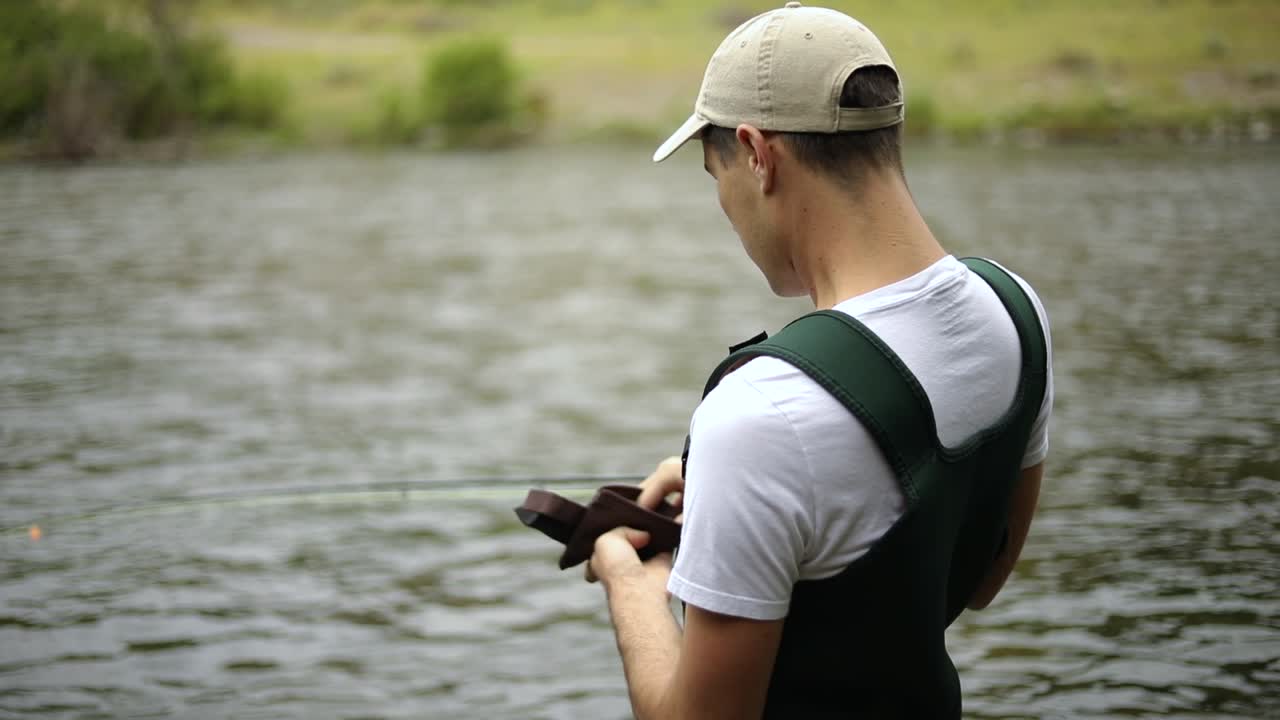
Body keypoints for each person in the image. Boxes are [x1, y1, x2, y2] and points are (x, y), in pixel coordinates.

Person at [584, 3, 1054, 718]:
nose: (723, 205)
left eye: (714, 174)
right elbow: (980, 579)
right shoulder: (1015, 310)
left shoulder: (760, 416)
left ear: (757, 153)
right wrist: (739, 495)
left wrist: (632, 582)